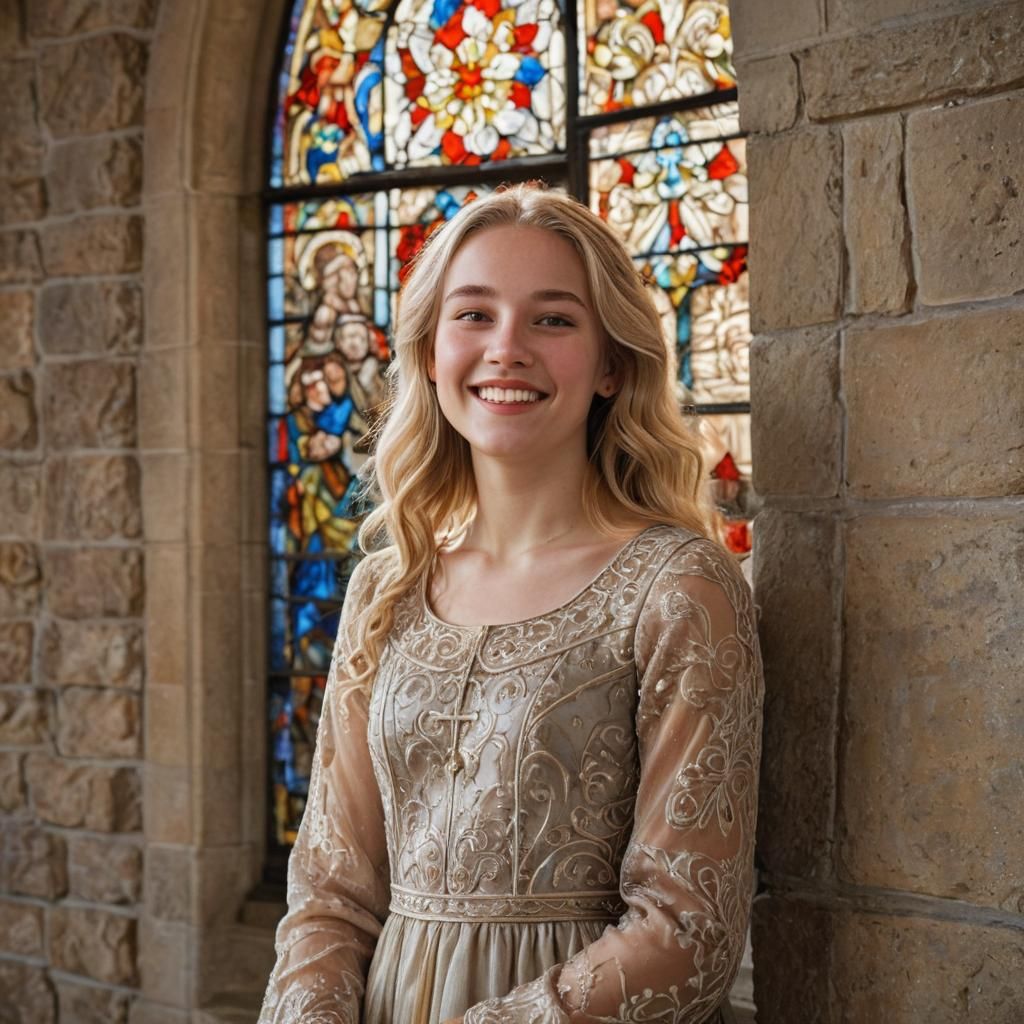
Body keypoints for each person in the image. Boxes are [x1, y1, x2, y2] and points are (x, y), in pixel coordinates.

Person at [258, 184, 764, 1024]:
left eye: (553, 320)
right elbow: (329, 891)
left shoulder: (680, 590)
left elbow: (687, 929)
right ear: (428, 351)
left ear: (611, 364)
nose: (507, 349)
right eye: (474, 315)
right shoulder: (384, 591)